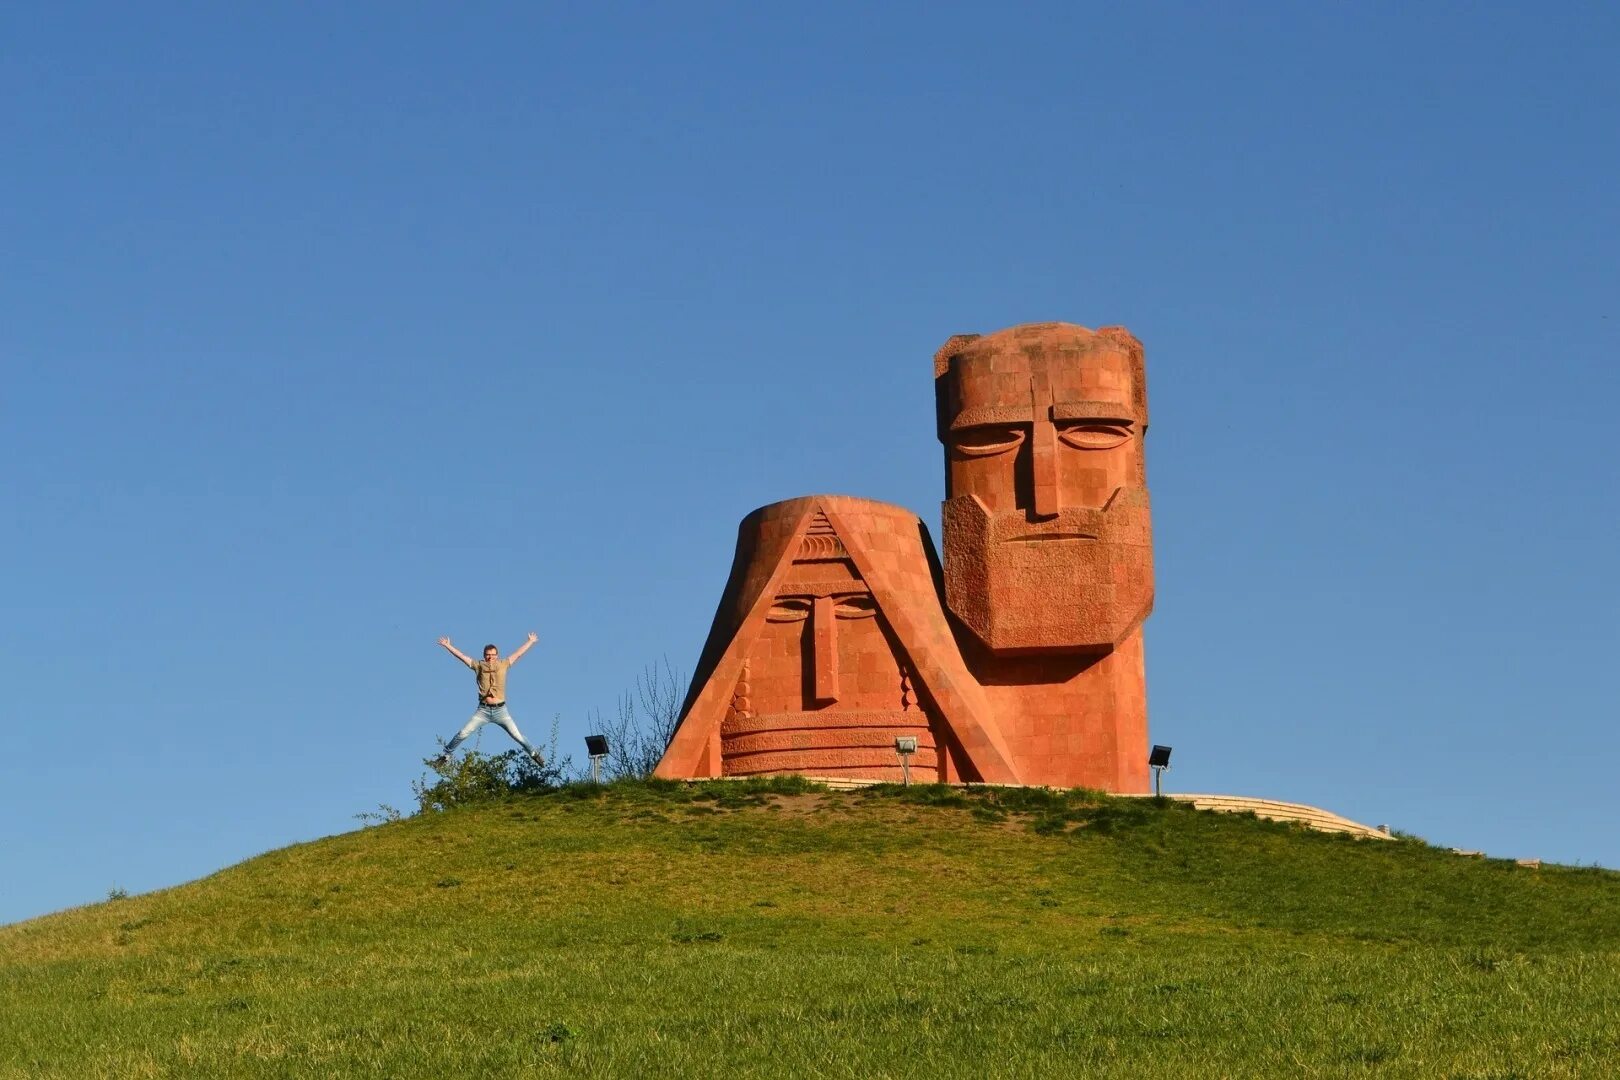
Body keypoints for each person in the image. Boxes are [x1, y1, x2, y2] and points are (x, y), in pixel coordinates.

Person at [432, 633, 545, 767]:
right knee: (463, 733)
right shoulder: (478, 665)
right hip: (483, 711)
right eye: (488, 655)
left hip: (501, 711)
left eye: (493, 655)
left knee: (518, 736)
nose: (490, 657)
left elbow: (518, 654)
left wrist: (530, 642)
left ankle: (534, 754)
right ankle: (446, 755)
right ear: (484, 655)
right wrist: (448, 646)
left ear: (497, 655)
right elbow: (462, 657)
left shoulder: (504, 664)